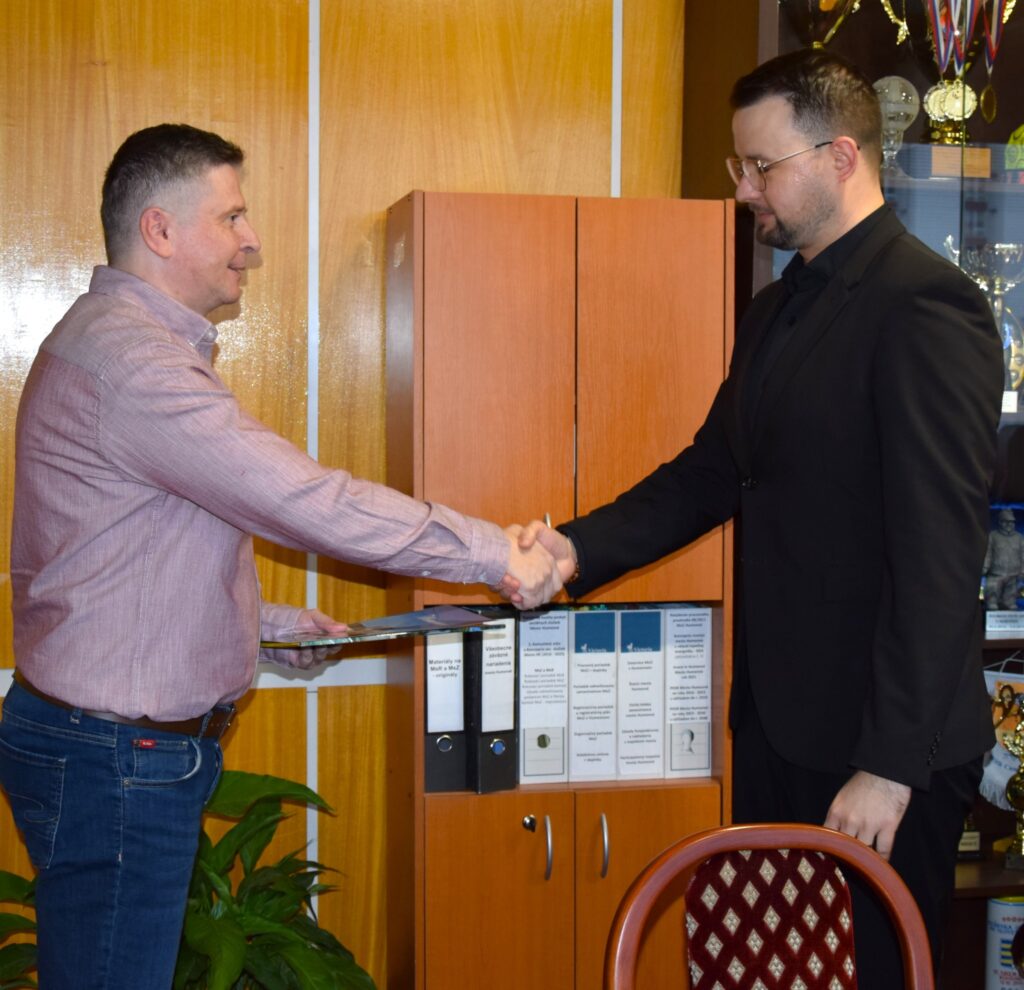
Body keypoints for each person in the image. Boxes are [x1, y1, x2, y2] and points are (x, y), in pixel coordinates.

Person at [0, 123, 560, 989]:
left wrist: (259, 624)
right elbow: (302, 499)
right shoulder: (134, 362)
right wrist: (494, 553)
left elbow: (117, 562)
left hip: (103, 749)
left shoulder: (116, 343)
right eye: (232, 217)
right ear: (160, 230)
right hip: (115, 759)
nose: (252, 239)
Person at [520, 49, 1002, 988]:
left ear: (841, 156)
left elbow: (941, 556)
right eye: (737, 167)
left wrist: (889, 767)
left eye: (760, 166)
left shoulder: (925, 305)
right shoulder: (777, 306)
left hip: (878, 750)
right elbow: (711, 475)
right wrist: (572, 550)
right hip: (780, 727)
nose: (743, 190)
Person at [983, 507, 1024, 610]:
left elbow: (1023, 555)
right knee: (992, 589)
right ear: (1000, 522)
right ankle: (992, 602)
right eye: (1005, 522)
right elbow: (988, 553)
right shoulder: (993, 536)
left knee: (1011, 592)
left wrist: (1023, 570)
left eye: (1011, 522)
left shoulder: (1019, 538)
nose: (1008, 524)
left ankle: (1009, 602)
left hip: (1013, 572)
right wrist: (985, 567)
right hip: (995, 572)